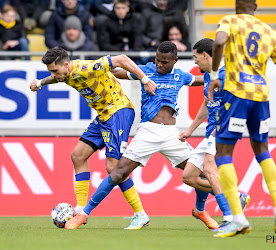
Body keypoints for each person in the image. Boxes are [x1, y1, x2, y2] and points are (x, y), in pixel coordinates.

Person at [65, 41, 232, 231]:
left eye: (165, 62)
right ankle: (83, 214)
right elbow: (118, 71)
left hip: (171, 135)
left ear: (175, 61)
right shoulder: (146, 71)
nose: (160, 65)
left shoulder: (181, 76)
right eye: (157, 60)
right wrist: (98, 72)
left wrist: (218, 78)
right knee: (118, 173)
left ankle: (200, 210)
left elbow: (200, 81)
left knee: (201, 172)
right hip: (147, 132)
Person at [29, 46, 157, 230]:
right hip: (103, 117)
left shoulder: (87, 68)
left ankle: (141, 215)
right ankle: (80, 209)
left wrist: (145, 80)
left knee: (114, 167)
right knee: (78, 156)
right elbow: (56, 78)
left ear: (66, 64)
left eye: (55, 70)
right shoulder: (64, 74)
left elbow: (121, 58)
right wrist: (40, 83)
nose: (54, 74)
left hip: (118, 111)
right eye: (51, 71)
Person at [208, 0, 276, 237]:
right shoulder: (270, 31)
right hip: (261, 97)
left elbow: (218, 42)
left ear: (236, 4)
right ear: (255, 6)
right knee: (262, 149)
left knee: (223, 152)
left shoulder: (230, 21)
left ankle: (238, 218)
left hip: (236, 94)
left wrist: (215, 75)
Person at [179, 38, 250, 233]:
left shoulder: (226, 74)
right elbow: (206, 103)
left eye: (195, 57)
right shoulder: (211, 75)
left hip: (223, 129)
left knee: (210, 168)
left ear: (205, 54)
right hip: (211, 131)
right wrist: (190, 130)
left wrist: (225, 126)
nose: (194, 62)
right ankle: (236, 198)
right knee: (189, 176)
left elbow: (239, 101)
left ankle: (230, 219)